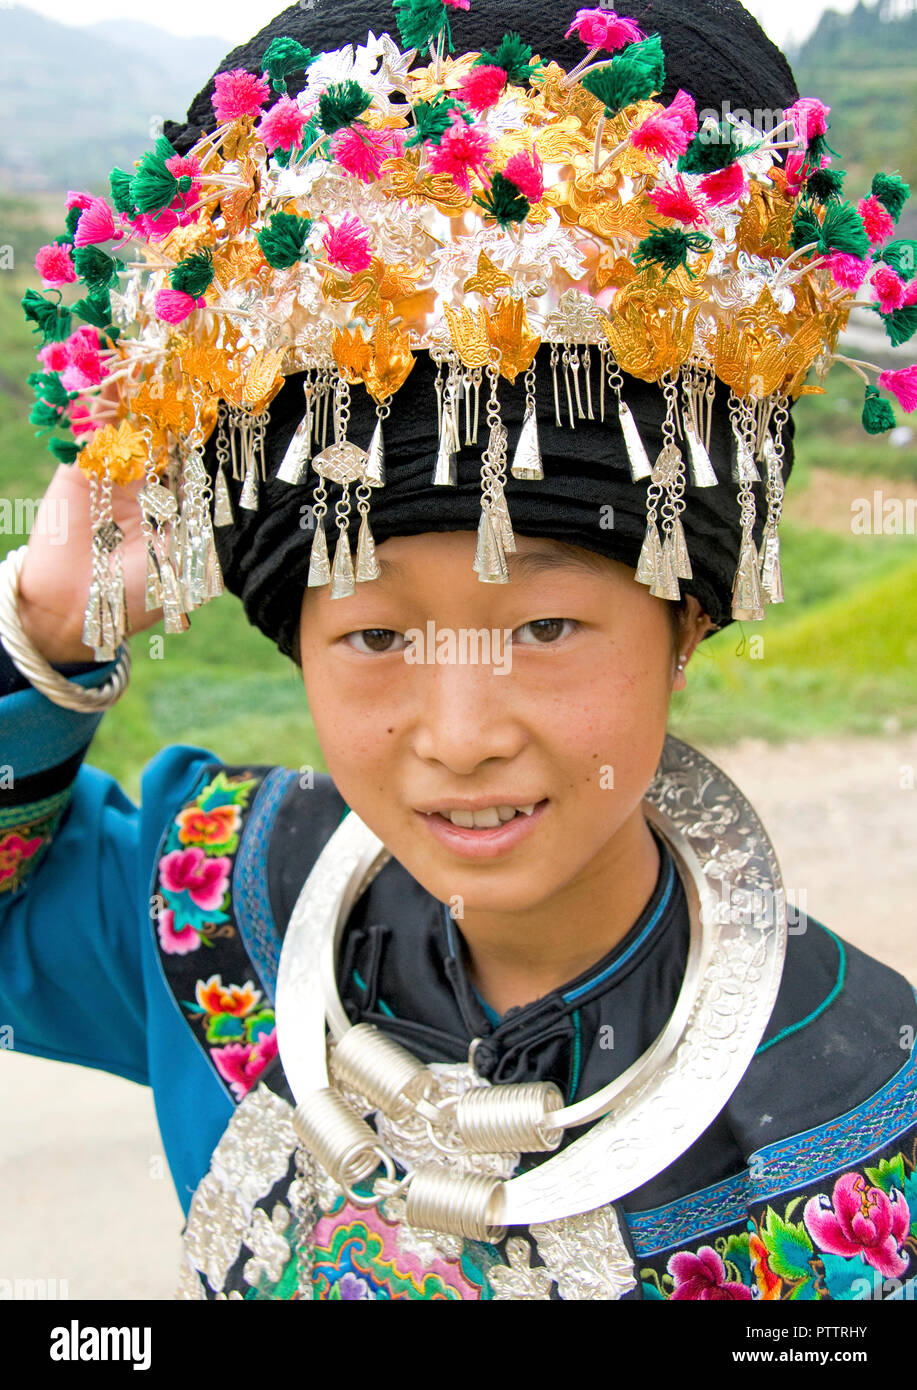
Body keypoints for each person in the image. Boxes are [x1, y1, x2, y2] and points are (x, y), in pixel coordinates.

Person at [3, 0, 916, 1302]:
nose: (461, 729)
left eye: (544, 625)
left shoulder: (870, 1131)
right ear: (294, 641)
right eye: (374, 632)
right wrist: (42, 623)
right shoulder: (209, 904)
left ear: (688, 617)